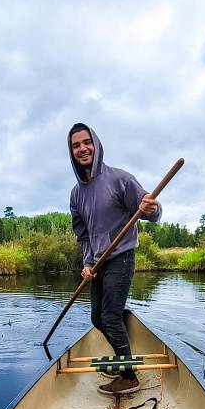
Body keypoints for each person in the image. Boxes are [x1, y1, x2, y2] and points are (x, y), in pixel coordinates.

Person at [68, 123, 161, 394]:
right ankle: (122, 358)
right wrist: (87, 263)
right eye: (76, 145)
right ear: (71, 152)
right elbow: (83, 235)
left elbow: (152, 211)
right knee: (98, 318)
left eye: (87, 142)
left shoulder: (120, 179)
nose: (83, 148)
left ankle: (129, 375)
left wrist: (151, 208)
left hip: (120, 257)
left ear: (96, 145)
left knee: (110, 317)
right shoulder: (76, 194)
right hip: (97, 264)